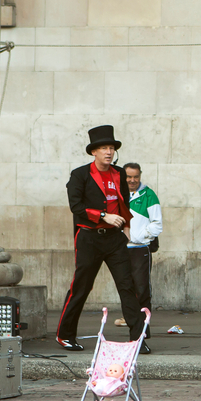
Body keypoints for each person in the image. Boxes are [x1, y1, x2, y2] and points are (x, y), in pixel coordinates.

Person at [55, 125, 149, 354]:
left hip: (114, 240)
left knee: (128, 286)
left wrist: (126, 227)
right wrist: (104, 216)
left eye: (111, 148)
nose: (108, 152)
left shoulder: (118, 174)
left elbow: (124, 204)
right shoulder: (80, 174)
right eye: (103, 148)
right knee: (81, 286)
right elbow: (75, 206)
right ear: (93, 152)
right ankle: (65, 335)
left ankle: (138, 339)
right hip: (88, 237)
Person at [112, 162, 162, 335]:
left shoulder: (149, 195)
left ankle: (143, 330)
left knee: (141, 289)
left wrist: (141, 236)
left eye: (136, 177)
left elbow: (157, 224)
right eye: (129, 177)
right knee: (126, 288)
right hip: (121, 249)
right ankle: (132, 323)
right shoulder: (117, 193)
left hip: (140, 249)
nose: (132, 180)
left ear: (140, 176)